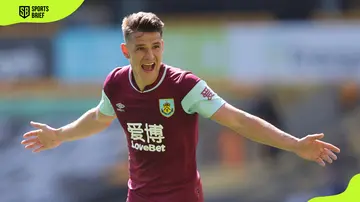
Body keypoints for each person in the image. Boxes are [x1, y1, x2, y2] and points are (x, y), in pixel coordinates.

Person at [21, 12, 340, 202]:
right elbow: (100, 117)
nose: (149, 56)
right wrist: (60, 135)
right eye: (141, 48)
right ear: (125, 50)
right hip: (140, 197)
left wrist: (295, 144)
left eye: (156, 47)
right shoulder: (116, 85)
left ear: (163, 46)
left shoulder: (185, 87)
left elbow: (239, 121)